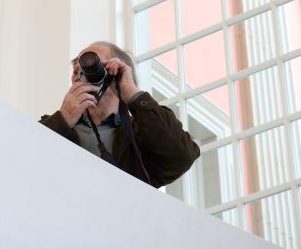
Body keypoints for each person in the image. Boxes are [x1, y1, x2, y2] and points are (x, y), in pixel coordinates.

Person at [40, 41, 200, 188]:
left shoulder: (140, 137)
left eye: (94, 64)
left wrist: (132, 92)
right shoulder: (53, 127)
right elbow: (23, 160)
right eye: (77, 70)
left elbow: (181, 156)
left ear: (117, 72)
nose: (81, 74)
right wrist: (63, 119)